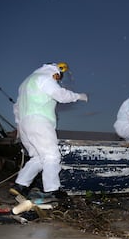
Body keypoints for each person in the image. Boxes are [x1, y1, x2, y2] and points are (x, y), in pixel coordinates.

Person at [11, 63, 88, 199]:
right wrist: (79, 96)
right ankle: (52, 190)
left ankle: (20, 185)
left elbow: (16, 107)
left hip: (24, 124)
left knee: (39, 158)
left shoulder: (26, 82)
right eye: (58, 77)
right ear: (55, 71)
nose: (58, 80)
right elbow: (60, 95)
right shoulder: (45, 77)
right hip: (39, 121)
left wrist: (19, 126)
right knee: (51, 156)